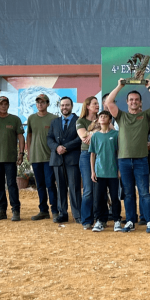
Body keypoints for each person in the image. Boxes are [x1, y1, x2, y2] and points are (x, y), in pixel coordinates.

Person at [106, 78, 150, 233]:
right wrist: (119, 86)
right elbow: (109, 103)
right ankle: (130, 221)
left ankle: (149, 221)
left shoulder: (145, 116)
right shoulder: (121, 116)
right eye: (131, 100)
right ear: (127, 102)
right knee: (129, 193)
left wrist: (149, 86)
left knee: (144, 193)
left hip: (141, 160)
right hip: (123, 161)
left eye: (136, 100)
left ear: (140, 102)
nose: (134, 102)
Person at [47, 96, 82, 224]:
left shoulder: (79, 121)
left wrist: (65, 147)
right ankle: (63, 213)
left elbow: (80, 138)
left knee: (74, 187)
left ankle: (78, 214)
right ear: (59, 107)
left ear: (71, 106)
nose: (64, 107)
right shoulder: (54, 122)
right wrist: (57, 147)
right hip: (57, 159)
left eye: (67, 105)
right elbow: (49, 138)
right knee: (60, 188)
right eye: (62, 105)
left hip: (73, 159)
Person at [26, 94, 59, 221]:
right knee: (39, 185)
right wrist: (29, 152)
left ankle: (55, 210)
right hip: (36, 157)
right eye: (38, 102)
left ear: (48, 104)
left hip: (50, 157)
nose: (40, 104)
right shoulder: (31, 118)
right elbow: (29, 135)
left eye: (43, 102)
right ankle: (43, 210)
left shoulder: (54, 118)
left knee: (50, 184)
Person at [89, 111, 121, 232]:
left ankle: (117, 220)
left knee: (114, 197)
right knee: (99, 198)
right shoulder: (95, 136)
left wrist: (119, 169)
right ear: (98, 120)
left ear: (110, 120)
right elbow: (92, 155)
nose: (102, 118)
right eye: (100, 116)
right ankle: (100, 221)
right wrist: (93, 171)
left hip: (112, 172)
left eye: (105, 116)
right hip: (99, 172)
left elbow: (119, 153)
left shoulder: (116, 134)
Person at [76, 96, 99, 230]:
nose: (97, 105)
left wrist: (92, 133)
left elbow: (111, 132)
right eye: (94, 103)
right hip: (86, 155)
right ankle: (86, 220)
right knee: (88, 189)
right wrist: (98, 132)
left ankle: (99, 217)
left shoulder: (102, 118)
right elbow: (84, 138)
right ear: (88, 106)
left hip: (101, 155)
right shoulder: (80, 121)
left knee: (99, 189)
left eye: (97, 103)